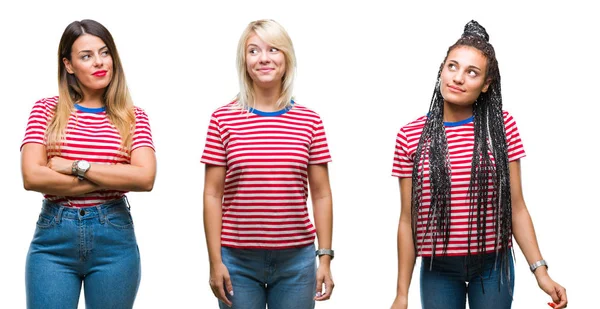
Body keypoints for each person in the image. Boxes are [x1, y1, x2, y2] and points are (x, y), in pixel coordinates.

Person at [390, 20, 568, 309]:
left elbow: (517, 206)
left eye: (471, 72)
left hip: (493, 266)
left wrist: (541, 271)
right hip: (438, 268)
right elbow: (407, 220)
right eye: (452, 67)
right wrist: (401, 293)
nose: (458, 78)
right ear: (441, 70)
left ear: (485, 85)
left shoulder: (502, 128)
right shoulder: (410, 136)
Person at [20, 19, 156, 309]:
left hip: (114, 240)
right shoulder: (46, 110)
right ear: (69, 65)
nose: (99, 62)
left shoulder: (133, 116)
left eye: (104, 52)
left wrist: (73, 166)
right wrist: (115, 174)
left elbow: (145, 178)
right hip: (53, 239)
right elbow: (32, 176)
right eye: (86, 56)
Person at [201, 19, 334, 309]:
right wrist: (215, 262)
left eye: (273, 49)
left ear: (287, 58)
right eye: (253, 51)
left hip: (297, 262)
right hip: (237, 261)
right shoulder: (222, 120)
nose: (264, 58)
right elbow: (212, 194)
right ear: (244, 61)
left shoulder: (309, 121)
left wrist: (324, 256)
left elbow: (322, 194)